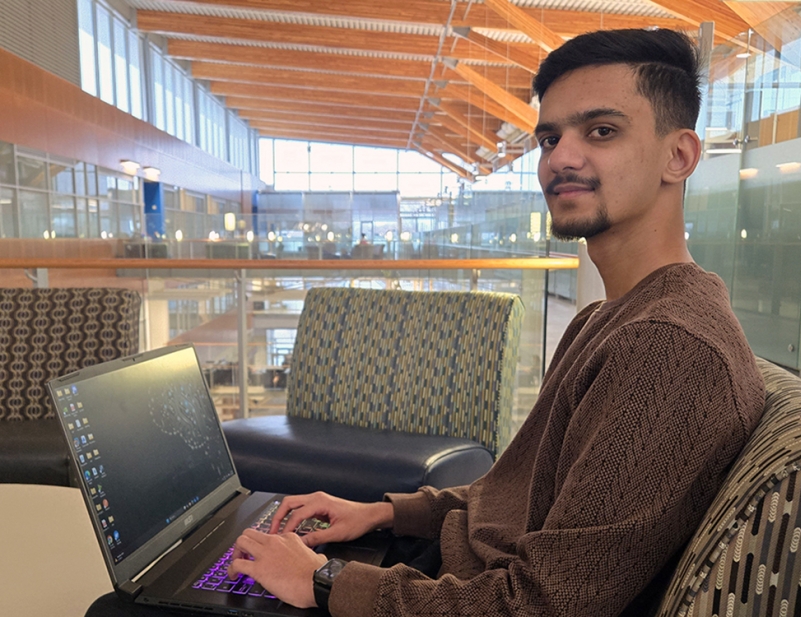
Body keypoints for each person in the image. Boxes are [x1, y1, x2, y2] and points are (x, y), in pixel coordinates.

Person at [227, 28, 765, 616]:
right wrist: (383, 512)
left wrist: (327, 583)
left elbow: (541, 606)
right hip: (455, 581)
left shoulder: (667, 350)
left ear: (679, 155)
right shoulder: (609, 318)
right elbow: (510, 497)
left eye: (601, 131)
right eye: (551, 137)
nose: (561, 157)